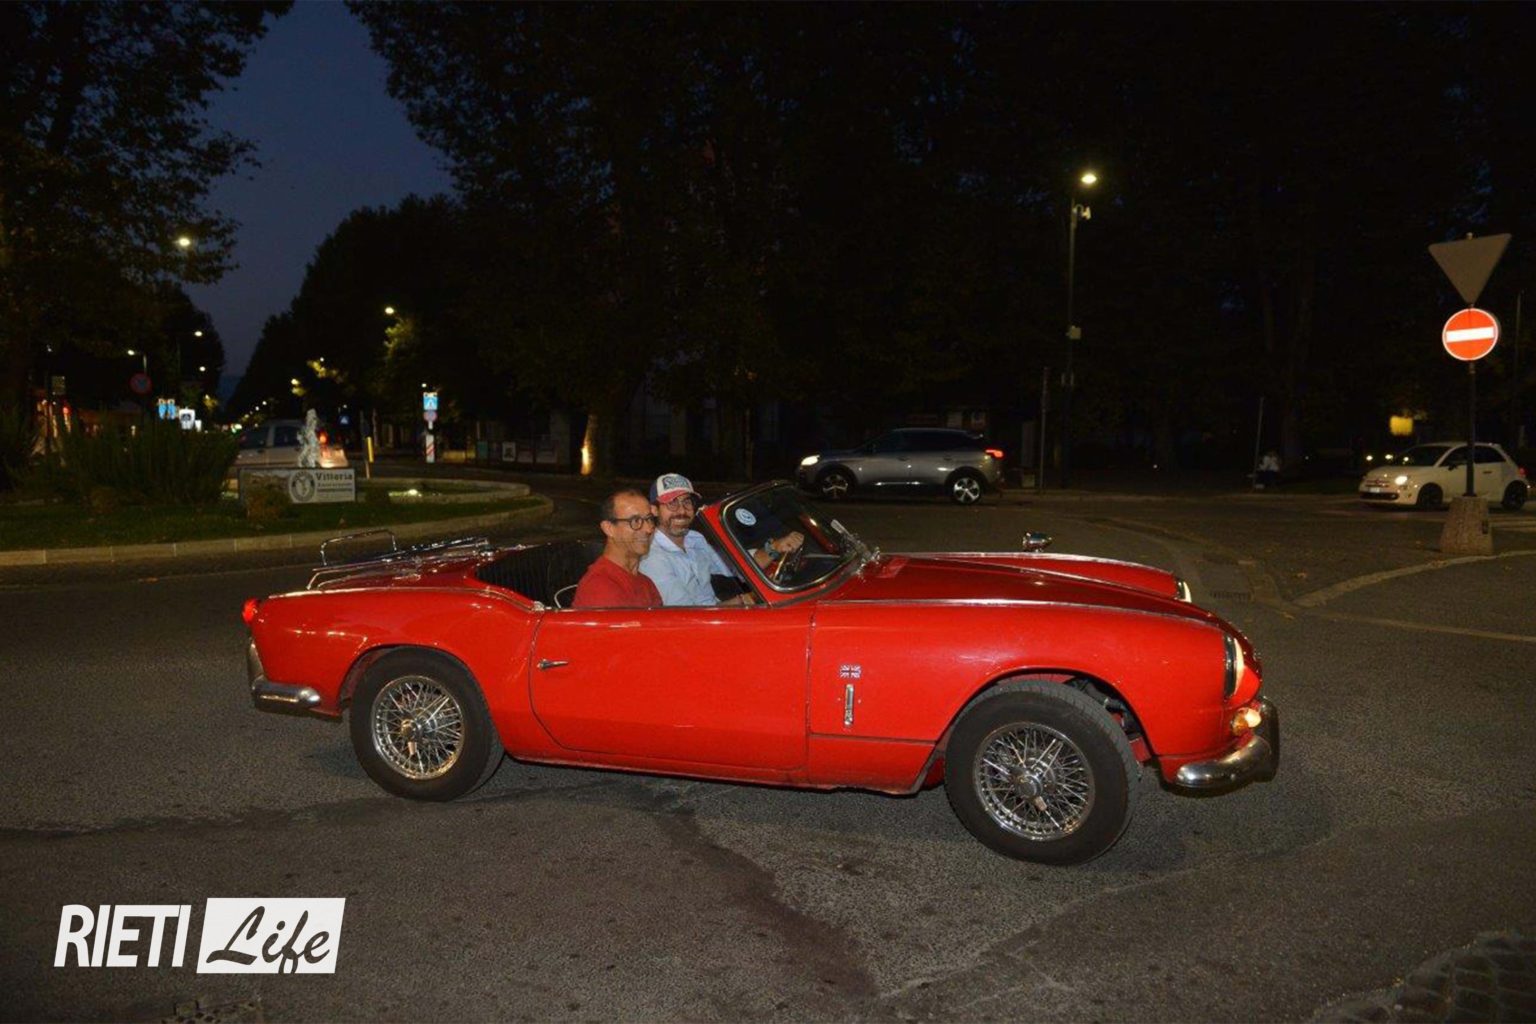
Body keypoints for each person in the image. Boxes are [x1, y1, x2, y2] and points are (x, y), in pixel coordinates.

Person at [639, 472, 804, 606]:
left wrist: (774, 548)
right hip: (693, 630)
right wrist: (744, 600)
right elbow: (686, 616)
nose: (681, 510)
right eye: (672, 503)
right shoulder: (652, 556)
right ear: (654, 510)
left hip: (714, 615)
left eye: (687, 502)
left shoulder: (694, 539)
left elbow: (737, 566)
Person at [571, 488, 664, 609]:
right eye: (635, 521)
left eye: (649, 519)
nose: (648, 529)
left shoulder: (646, 583)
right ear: (609, 528)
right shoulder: (599, 585)